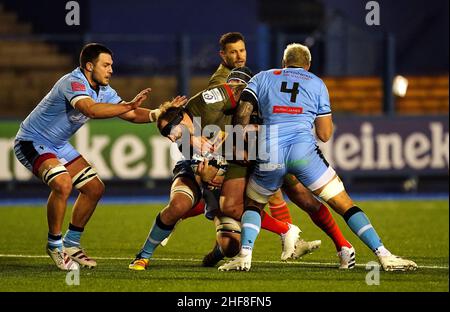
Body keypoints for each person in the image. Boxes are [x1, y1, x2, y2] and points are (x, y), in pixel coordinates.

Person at [218, 43, 418, 272]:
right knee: (344, 205)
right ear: (308, 65)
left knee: (253, 204)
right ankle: (383, 255)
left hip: (269, 152)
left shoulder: (263, 77)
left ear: (284, 63)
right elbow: (324, 135)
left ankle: (245, 256)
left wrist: (241, 145)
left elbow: (242, 114)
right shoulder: (316, 83)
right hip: (303, 155)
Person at [13, 43, 187, 271]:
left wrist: (160, 113)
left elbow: (132, 113)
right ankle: (55, 245)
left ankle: (72, 244)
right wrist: (128, 106)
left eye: (111, 65)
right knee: (63, 183)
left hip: (58, 145)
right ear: (88, 66)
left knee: (94, 188)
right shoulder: (73, 82)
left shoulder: (104, 89)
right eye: (106, 65)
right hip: (32, 141)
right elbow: (91, 110)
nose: (111, 70)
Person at [128, 68, 308, 270]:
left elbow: (238, 91)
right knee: (179, 205)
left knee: (230, 246)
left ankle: (215, 254)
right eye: (165, 135)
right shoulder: (183, 140)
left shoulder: (205, 104)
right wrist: (205, 175)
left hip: (227, 174)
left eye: (170, 130)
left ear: (181, 117)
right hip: (202, 175)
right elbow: (202, 172)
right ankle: (143, 255)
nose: (170, 137)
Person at [204, 33, 355, 268]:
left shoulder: (252, 76)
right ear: (222, 55)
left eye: (242, 50)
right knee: (237, 215)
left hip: (265, 148)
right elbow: (217, 123)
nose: (239, 55)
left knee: (294, 198)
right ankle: (293, 237)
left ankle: (329, 242)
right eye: (233, 52)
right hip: (246, 150)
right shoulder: (221, 83)